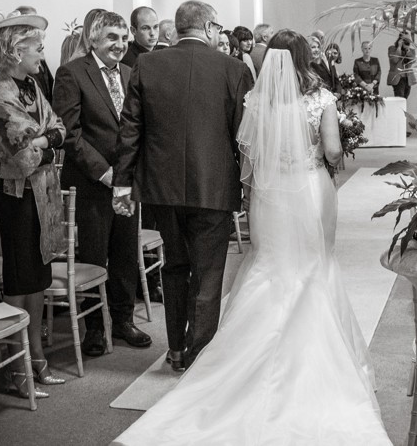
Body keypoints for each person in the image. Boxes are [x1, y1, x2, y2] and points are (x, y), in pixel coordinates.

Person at [111, 30, 392, 446]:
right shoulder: (321, 100)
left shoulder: (257, 102)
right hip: (309, 189)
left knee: (267, 265)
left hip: (269, 195)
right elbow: (332, 152)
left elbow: (247, 153)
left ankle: (216, 355)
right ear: (303, 59)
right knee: (314, 265)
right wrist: (330, 142)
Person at [112, 0, 253, 373]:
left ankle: (176, 350)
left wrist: (123, 183)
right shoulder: (234, 69)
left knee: (173, 267)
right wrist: (251, 187)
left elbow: (131, 129)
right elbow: (246, 137)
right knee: (208, 274)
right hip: (214, 188)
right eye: (218, 29)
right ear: (208, 28)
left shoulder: (147, 65)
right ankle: (199, 355)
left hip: (162, 189)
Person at [53, 11, 151, 357]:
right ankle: (95, 328)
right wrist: (105, 172)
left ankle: (123, 321)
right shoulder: (72, 73)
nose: (120, 44)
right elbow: (70, 133)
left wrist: (130, 174)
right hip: (92, 184)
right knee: (94, 257)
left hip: (127, 183)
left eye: (124, 38)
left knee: (125, 254)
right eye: (112, 37)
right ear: (92, 38)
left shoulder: (129, 72)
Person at [0, 10, 66, 398]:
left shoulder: (32, 86)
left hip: (43, 195)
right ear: (15, 52)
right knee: (19, 282)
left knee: (39, 280)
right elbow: (21, 154)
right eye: (37, 48)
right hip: (17, 198)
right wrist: (46, 143)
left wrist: (44, 140)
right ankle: (18, 369)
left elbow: (58, 130)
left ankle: (38, 360)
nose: (41, 54)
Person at [0, 7, 55, 104]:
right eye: (39, 50)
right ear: (18, 53)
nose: (42, 57)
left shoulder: (31, 84)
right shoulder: (0, 97)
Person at [387, 33, 417, 98]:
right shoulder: (392, 48)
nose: (407, 41)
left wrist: (407, 50)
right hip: (398, 77)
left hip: (408, 78)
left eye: (408, 40)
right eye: (405, 39)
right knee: (399, 99)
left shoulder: (411, 51)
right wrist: (399, 47)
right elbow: (394, 60)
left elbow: (413, 60)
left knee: (405, 98)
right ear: (399, 39)